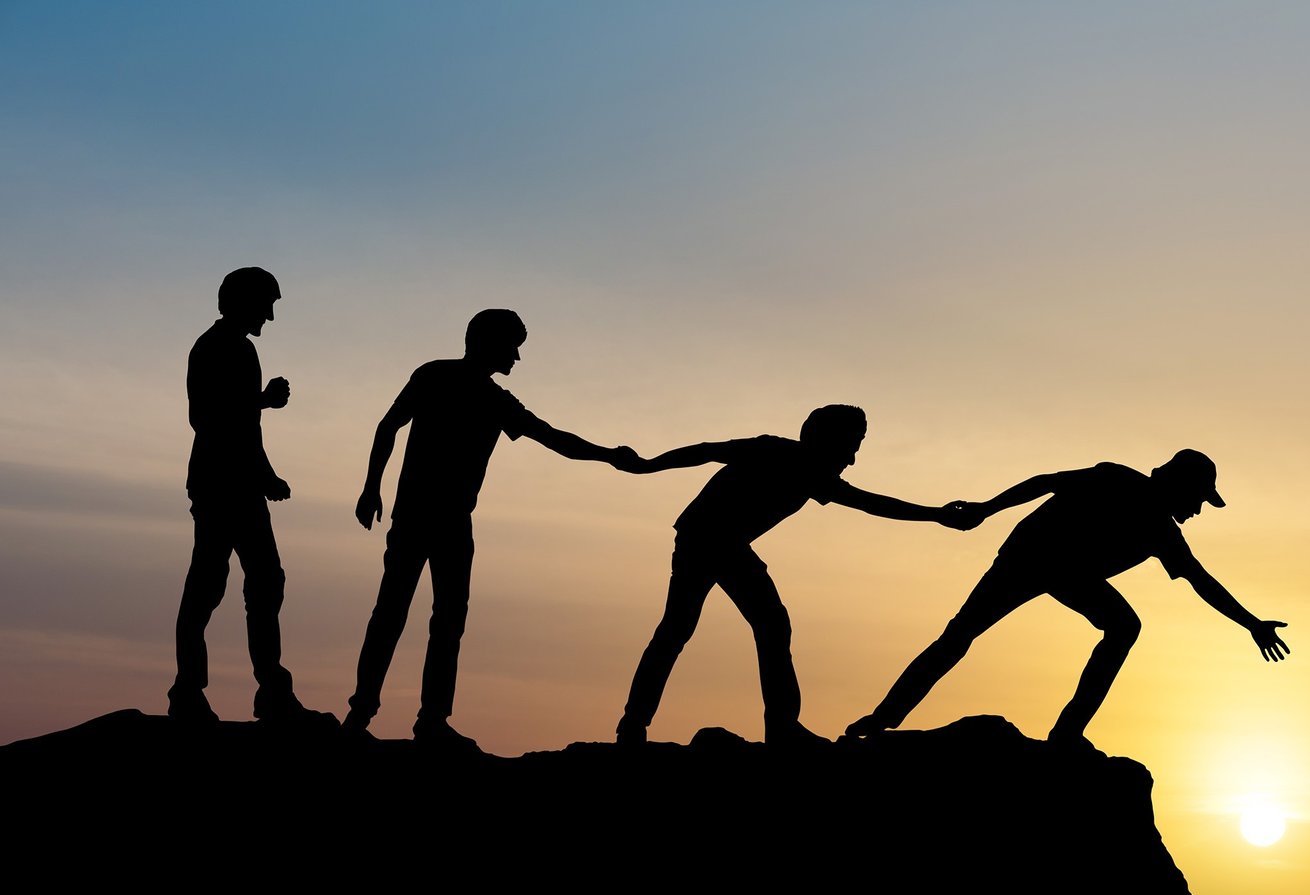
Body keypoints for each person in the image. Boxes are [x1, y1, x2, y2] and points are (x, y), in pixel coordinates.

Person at [843, 450, 1289, 750]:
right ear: (1178, 483)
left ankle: (1066, 735)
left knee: (1122, 627)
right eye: (1198, 499)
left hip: (1069, 573)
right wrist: (986, 508)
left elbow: (1201, 581)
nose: (1198, 510)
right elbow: (1046, 482)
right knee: (959, 636)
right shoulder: (1115, 478)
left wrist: (1251, 624)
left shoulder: (1163, 532)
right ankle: (882, 718)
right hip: (1028, 557)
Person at [343, 309, 640, 749]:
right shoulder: (460, 387)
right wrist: (370, 488)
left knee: (432, 617)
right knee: (404, 614)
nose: (517, 358)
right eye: (512, 346)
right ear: (488, 343)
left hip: (442, 522)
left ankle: (419, 719)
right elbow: (389, 426)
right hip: (426, 519)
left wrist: (607, 456)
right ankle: (374, 714)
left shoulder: (476, 392)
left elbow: (554, 438)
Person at [618, 404, 968, 746]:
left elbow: (869, 502)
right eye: (853, 444)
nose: (852, 459)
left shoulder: (814, 474)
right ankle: (779, 727)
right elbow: (707, 452)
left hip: (714, 540)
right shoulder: (776, 451)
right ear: (828, 438)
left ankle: (637, 724)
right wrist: (647, 466)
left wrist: (935, 515)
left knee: (689, 630)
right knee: (747, 626)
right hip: (710, 539)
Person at [169, 266, 315, 723]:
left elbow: (247, 433)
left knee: (266, 583)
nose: (269, 317)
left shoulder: (244, 351)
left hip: (244, 486)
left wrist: (267, 477)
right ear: (242, 302)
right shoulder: (212, 348)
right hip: (216, 486)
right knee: (207, 587)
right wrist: (262, 401)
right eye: (265, 306)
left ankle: (272, 691)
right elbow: (206, 418)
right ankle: (188, 692)